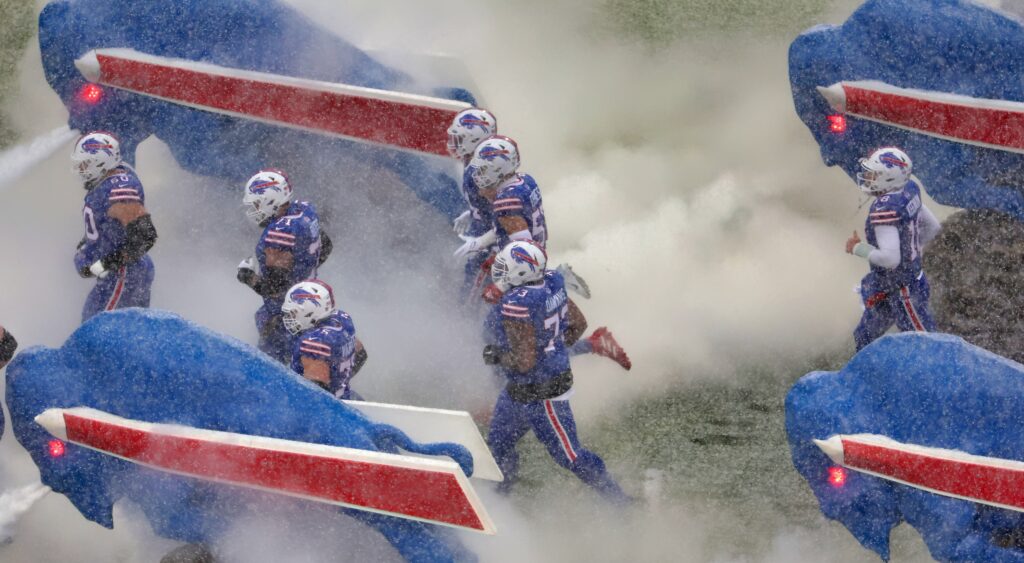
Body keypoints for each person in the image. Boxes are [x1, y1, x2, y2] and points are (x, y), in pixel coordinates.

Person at [461, 136, 633, 370]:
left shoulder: (504, 202)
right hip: (534, 269)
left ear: (499, 171)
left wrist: (500, 286)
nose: (478, 177)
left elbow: (524, 250)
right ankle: (593, 344)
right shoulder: (524, 182)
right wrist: (482, 242)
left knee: (500, 337)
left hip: (521, 278)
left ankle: (512, 389)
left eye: (483, 170)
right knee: (536, 338)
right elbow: (517, 231)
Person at [481, 240, 632, 504]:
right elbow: (579, 323)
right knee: (498, 445)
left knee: (571, 456)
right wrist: (551, 350)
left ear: (521, 271)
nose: (500, 269)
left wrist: (497, 356)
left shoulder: (517, 303)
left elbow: (524, 361)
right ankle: (498, 500)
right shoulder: (551, 279)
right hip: (519, 391)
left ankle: (619, 501)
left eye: (506, 266)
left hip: (543, 396)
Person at [845, 147, 941, 351]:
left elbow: (890, 259)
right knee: (864, 336)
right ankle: (872, 376)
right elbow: (933, 228)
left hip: (902, 287)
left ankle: (937, 379)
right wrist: (911, 249)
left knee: (926, 343)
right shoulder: (909, 189)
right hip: (893, 282)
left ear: (889, 179)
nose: (869, 177)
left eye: (874, 174)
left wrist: (857, 248)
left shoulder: (885, 209)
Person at [237, 170, 332, 363]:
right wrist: (303, 270)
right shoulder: (304, 210)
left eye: (256, 204)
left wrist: (247, 276)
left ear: (270, 201)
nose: (253, 210)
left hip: (284, 316)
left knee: (269, 374)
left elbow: (274, 288)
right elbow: (326, 245)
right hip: (307, 309)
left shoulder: (281, 232)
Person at [72, 132, 158, 323]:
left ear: (100, 161)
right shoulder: (107, 181)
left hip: (125, 273)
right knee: (94, 327)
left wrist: (105, 263)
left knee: (99, 331)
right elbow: (109, 225)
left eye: (85, 163)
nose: (81, 169)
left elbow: (145, 235)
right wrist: (90, 247)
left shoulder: (117, 186)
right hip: (117, 274)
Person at [281, 279, 367, 400]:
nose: (289, 318)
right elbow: (361, 354)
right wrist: (339, 382)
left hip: (332, 413)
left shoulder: (314, 342)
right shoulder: (341, 320)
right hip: (345, 400)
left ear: (309, 310)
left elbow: (316, 398)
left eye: (293, 313)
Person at [446, 108, 500, 301]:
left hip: (494, 248)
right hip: (484, 239)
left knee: (473, 301)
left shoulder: (485, 172)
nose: (453, 144)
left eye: (460, 139)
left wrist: (479, 243)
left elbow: (506, 219)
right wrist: (472, 212)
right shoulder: (476, 163)